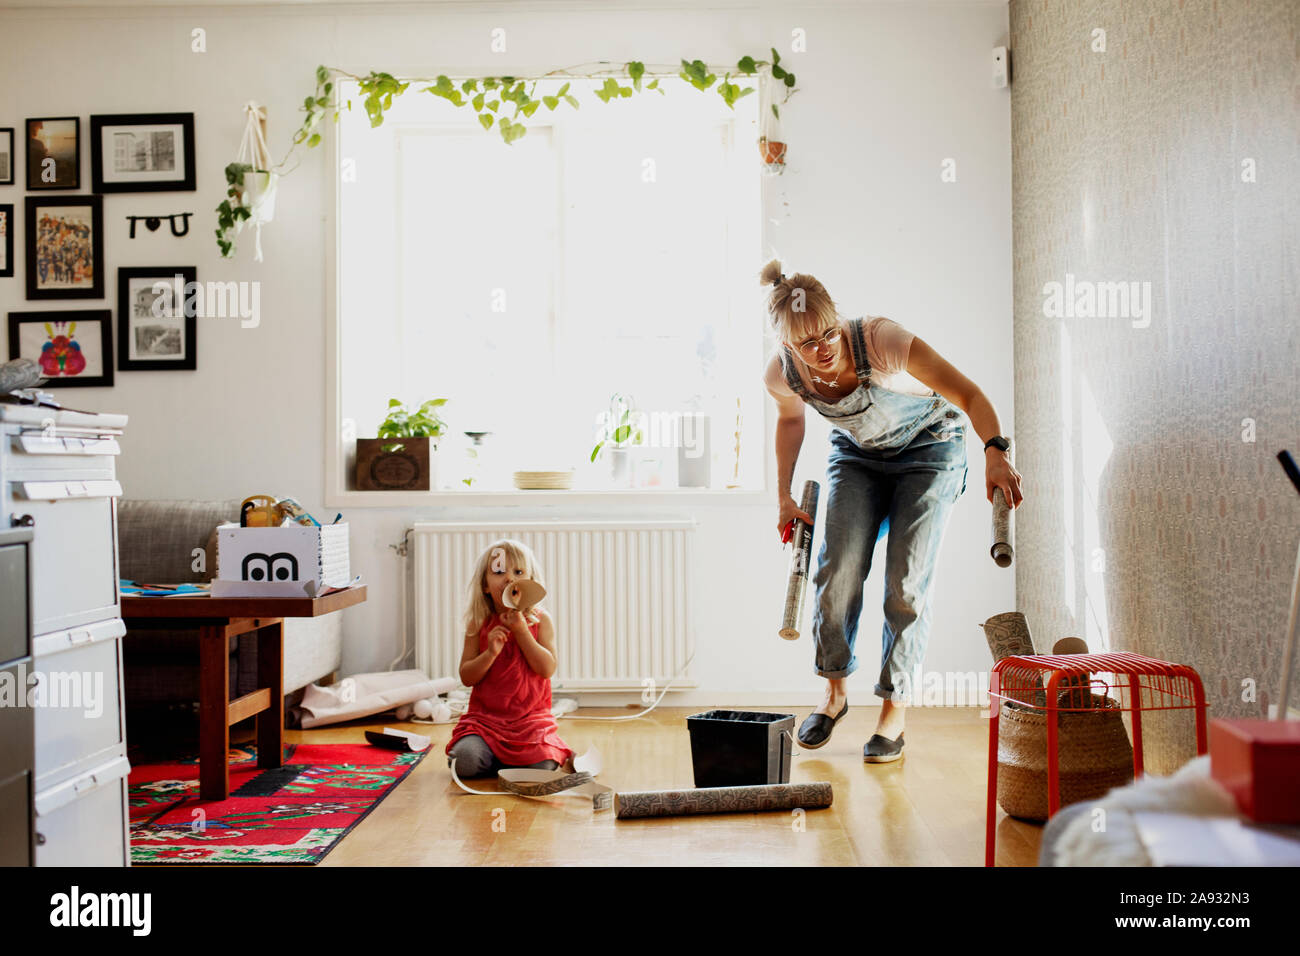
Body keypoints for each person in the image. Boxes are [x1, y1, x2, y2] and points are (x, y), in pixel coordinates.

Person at [761, 259, 1024, 762]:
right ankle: (834, 693)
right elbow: (791, 423)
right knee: (837, 567)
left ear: (838, 318)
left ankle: (893, 711)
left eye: (827, 332)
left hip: (931, 449)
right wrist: (784, 497)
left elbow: (968, 394)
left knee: (905, 581)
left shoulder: (883, 340)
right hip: (857, 456)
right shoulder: (783, 375)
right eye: (806, 344)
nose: (822, 348)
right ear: (786, 347)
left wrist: (995, 450)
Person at [446, 538, 575, 777]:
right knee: (463, 762)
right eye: (499, 572)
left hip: (530, 722)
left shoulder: (541, 620)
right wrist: (490, 653)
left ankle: (510, 760)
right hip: (485, 723)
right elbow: (467, 677)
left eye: (518, 572)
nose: (509, 578)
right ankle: (498, 758)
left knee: (543, 768)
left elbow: (547, 669)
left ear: (529, 581)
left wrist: (521, 631)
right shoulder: (478, 622)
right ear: (485, 585)